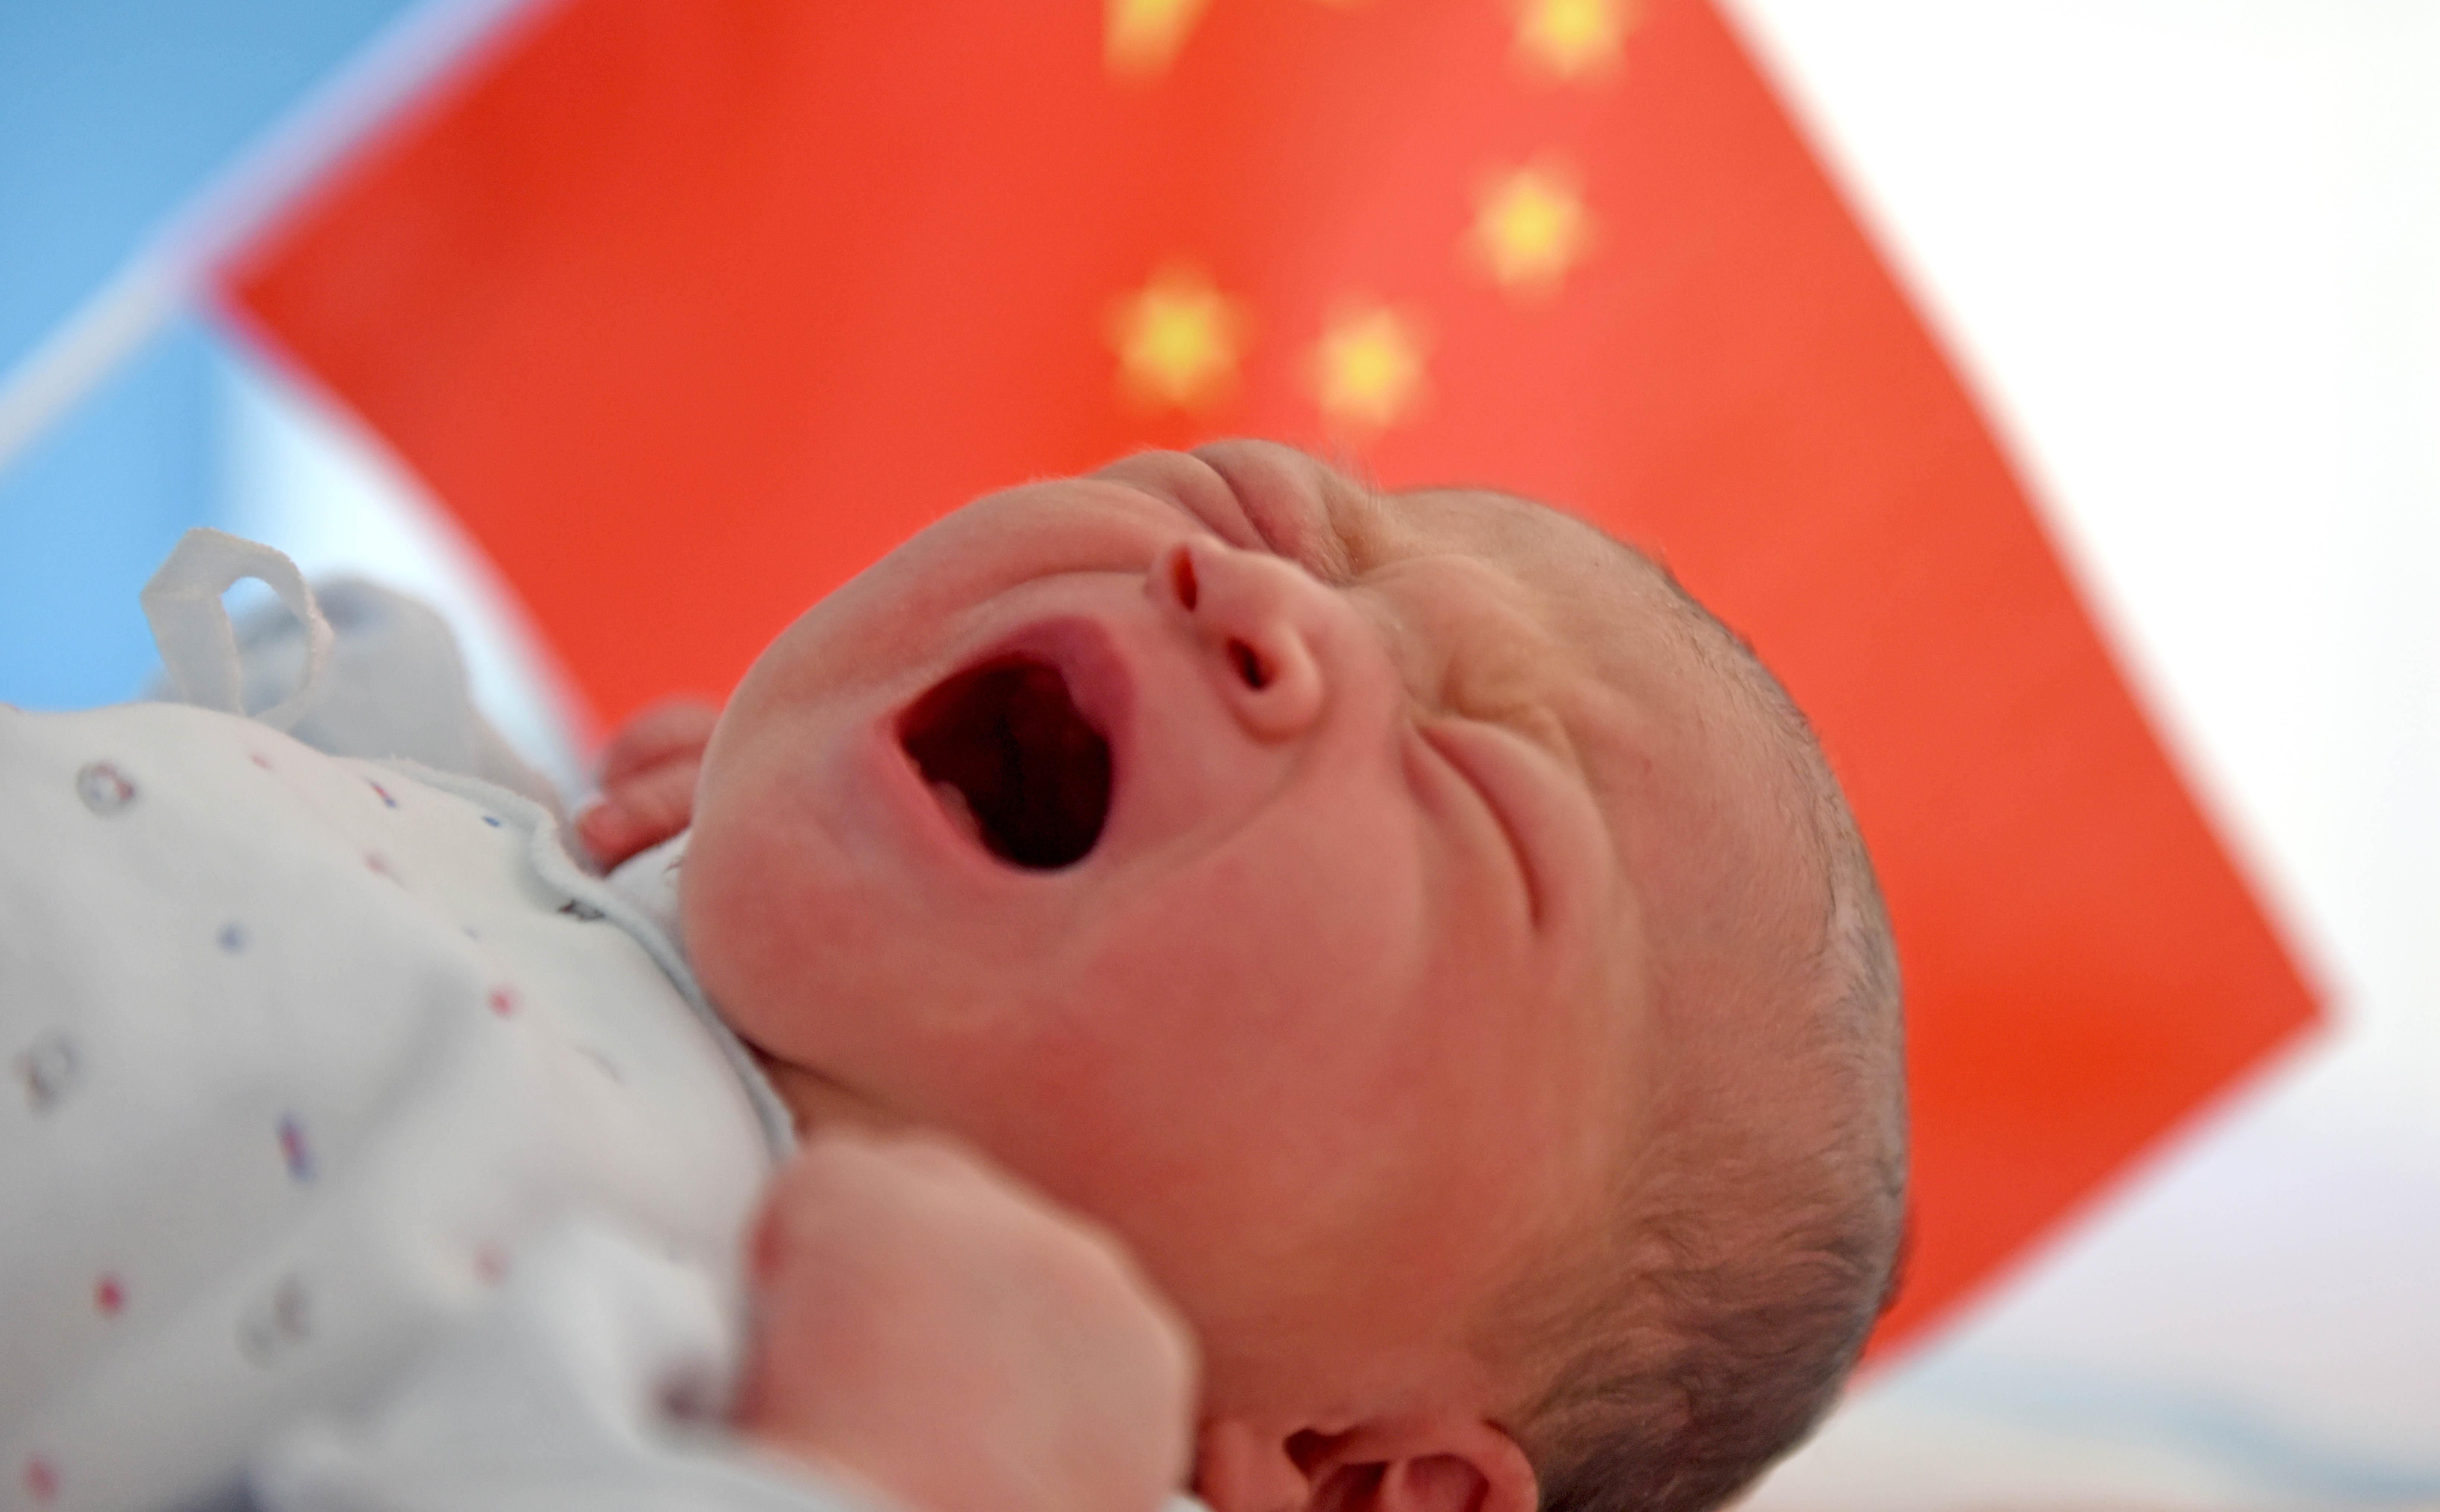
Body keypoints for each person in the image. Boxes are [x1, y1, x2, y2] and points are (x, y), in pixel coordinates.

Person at [3, 440, 1906, 1512]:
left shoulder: (962, 1459)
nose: (1264, 598)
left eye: (1466, 800)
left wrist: (874, 1482)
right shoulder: (571, 876)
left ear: (1352, 1474)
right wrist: (514, 825)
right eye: (1256, 505)